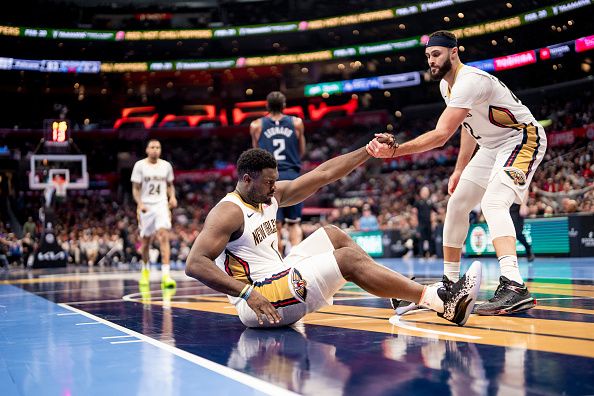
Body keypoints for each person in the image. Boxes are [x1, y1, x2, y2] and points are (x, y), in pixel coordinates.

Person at [185, 147, 482, 328]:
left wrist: (367, 151)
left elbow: (324, 174)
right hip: (258, 302)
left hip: (277, 276)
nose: (274, 188)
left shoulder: (267, 196)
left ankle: (399, 293)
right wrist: (246, 293)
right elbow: (195, 263)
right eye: (269, 183)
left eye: (275, 182)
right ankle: (443, 303)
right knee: (348, 260)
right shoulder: (228, 212)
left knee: (333, 234)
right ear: (246, 180)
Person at [367, 30, 547, 315]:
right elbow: (468, 126)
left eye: (435, 54)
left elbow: (441, 135)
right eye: (427, 56)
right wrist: (460, 168)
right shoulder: (446, 87)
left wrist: (395, 151)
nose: (431, 61)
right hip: (490, 145)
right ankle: (450, 283)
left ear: (454, 52)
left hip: (521, 137)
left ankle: (514, 285)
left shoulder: (469, 81)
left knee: (493, 202)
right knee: (457, 203)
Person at [250, 91, 306, 256]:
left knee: (275, 224)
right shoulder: (296, 122)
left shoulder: (256, 125)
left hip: (269, 178)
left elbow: (256, 153)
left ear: (267, 106)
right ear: (284, 106)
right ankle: (297, 259)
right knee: (294, 222)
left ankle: (279, 262)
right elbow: (301, 151)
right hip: (292, 174)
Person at [131, 139, 177, 289]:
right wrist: (140, 203)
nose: (155, 149)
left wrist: (172, 197)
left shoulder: (166, 166)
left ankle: (166, 275)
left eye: (158, 147)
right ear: (147, 150)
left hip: (161, 204)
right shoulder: (140, 165)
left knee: (164, 236)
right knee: (146, 242)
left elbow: (170, 185)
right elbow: (136, 189)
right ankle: (145, 271)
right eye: (152, 147)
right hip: (146, 206)